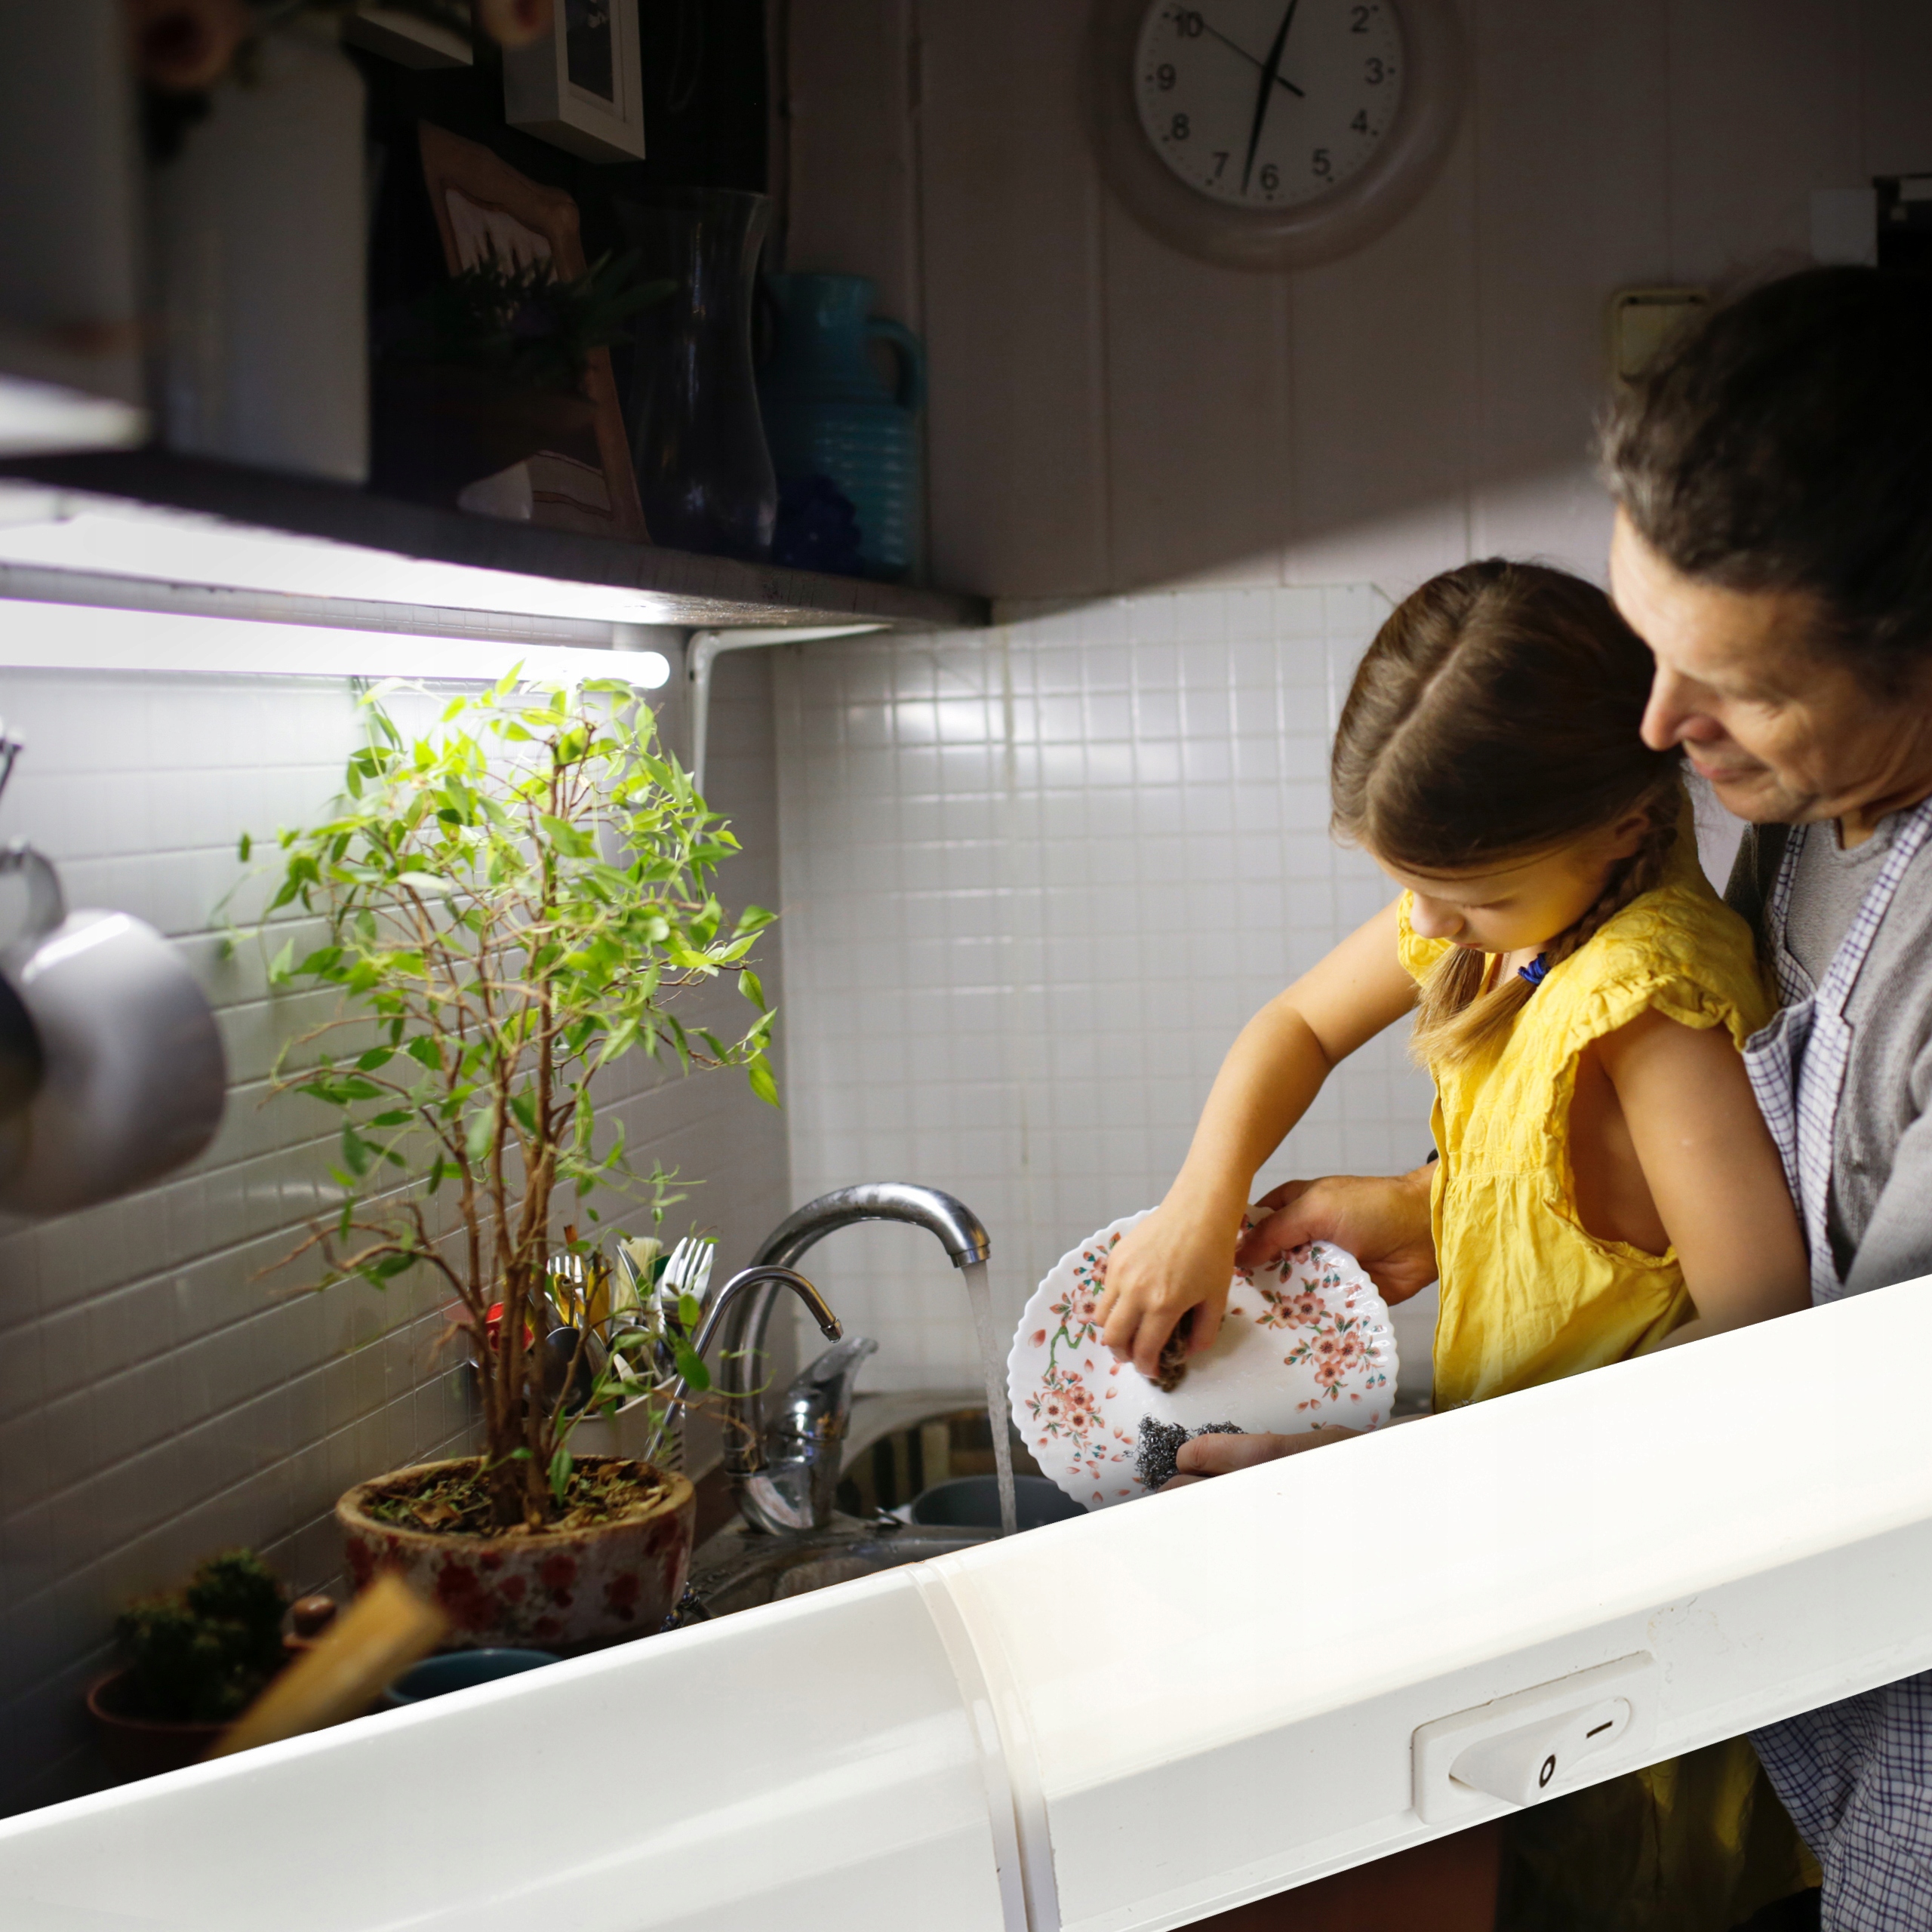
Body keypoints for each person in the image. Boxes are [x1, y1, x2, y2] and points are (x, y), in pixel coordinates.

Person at [1158, 266, 1932, 1932]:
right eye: (1652, 648)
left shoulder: (1679, 977)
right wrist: (1433, 1204)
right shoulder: (1795, 802)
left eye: (1729, 686)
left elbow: (1785, 1388)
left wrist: (1370, 1505)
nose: (1658, 727)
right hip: (1675, 1621)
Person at [1097, 557, 1816, 1931]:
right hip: (1528, 1569)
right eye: (1407, 889)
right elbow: (1296, 1026)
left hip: (1639, 1628)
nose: (1425, 932)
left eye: (1461, 901)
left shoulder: (1647, 1005)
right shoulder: (1524, 914)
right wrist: (1206, 1202)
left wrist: (1395, 1480)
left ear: (1619, 823)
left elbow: (1759, 1360)